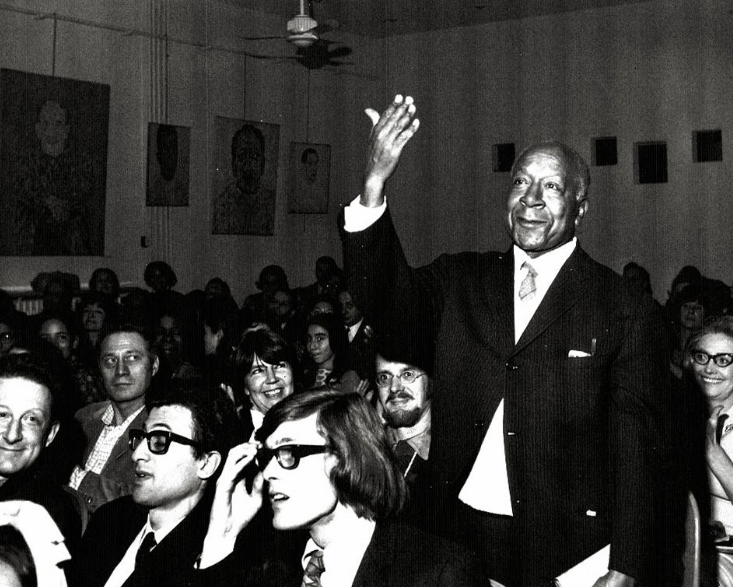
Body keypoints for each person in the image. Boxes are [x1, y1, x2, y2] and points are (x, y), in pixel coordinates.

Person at [341, 95, 675, 586]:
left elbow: (636, 449)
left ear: (580, 209)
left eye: (552, 187)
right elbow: (388, 310)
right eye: (520, 182)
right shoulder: (460, 279)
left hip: (567, 549)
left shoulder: (623, 306)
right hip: (457, 535)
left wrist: (625, 563)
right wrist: (374, 184)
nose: (531, 199)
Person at [195, 390, 482, 586]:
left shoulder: (439, 572)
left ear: (347, 457)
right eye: (267, 457)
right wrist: (221, 537)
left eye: (288, 452)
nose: (268, 472)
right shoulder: (267, 567)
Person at [70, 381, 237, 587]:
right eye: (142, 437)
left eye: (159, 441)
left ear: (206, 464)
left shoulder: (211, 553)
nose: (137, 454)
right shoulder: (110, 519)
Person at [67, 322, 160, 513]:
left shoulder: (161, 429)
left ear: (154, 365)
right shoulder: (83, 418)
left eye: (132, 358)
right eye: (110, 360)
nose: (120, 371)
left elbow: (145, 499)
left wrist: (76, 478)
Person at [0, 354, 81, 549]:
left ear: (50, 434)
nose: (12, 435)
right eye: (2, 414)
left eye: (31, 419)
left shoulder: (48, 516)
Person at [684, 315, 733, 587]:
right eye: (702, 357)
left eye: (723, 360)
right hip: (681, 542)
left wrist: (714, 455)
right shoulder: (680, 413)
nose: (709, 368)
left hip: (726, 554)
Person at [10, 99, 94, 256]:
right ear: (38, 130)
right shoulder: (26, 161)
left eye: (58, 124)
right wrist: (47, 200)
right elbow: (23, 189)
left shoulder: (81, 161)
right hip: (32, 244)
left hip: (72, 246)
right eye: (46, 124)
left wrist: (62, 205)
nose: (51, 131)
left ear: (66, 131)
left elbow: (84, 190)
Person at [233, 328, 297, 441]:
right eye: (258, 371)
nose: (272, 378)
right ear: (245, 386)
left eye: (279, 366)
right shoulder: (234, 436)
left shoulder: (316, 423)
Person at [212, 123, 275, 235]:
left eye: (254, 156)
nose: (248, 163)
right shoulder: (222, 206)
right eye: (242, 156)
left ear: (263, 164)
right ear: (233, 164)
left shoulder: (272, 204)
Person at [301, 312, 364, 395]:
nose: (312, 346)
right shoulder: (304, 375)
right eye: (309, 339)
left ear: (335, 339)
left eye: (320, 339)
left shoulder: (348, 379)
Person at [339, 288, 376, 380]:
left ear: (361, 305)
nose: (343, 311)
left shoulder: (374, 334)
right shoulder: (335, 331)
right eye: (341, 306)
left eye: (349, 306)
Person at [148, 124, 188, 207]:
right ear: (159, 156)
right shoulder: (152, 196)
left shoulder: (185, 194)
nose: (172, 156)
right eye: (167, 150)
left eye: (174, 149)